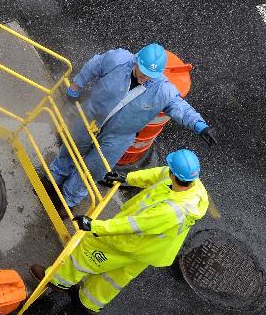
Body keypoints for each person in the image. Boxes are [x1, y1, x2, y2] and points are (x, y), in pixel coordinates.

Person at [30, 149, 208, 314]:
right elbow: (156, 174)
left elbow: (132, 225)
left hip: (133, 242)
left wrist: (94, 226)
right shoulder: (195, 186)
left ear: (174, 174)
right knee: (115, 277)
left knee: (89, 249)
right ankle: (89, 303)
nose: (166, 170)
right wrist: (127, 178)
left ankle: (58, 280)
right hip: (153, 249)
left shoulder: (171, 211)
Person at [49, 44, 217, 210]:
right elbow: (93, 66)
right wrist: (75, 87)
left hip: (119, 136)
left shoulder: (162, 90)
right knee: (72, 147)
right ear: (136, 60)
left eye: (151, 75)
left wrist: (200, 126)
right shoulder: (117, 60)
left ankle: (68, 198)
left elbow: (181, 108)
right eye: (143, 72)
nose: (145, 77)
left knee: (94, 168)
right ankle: (55, 177)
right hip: (90, 116)